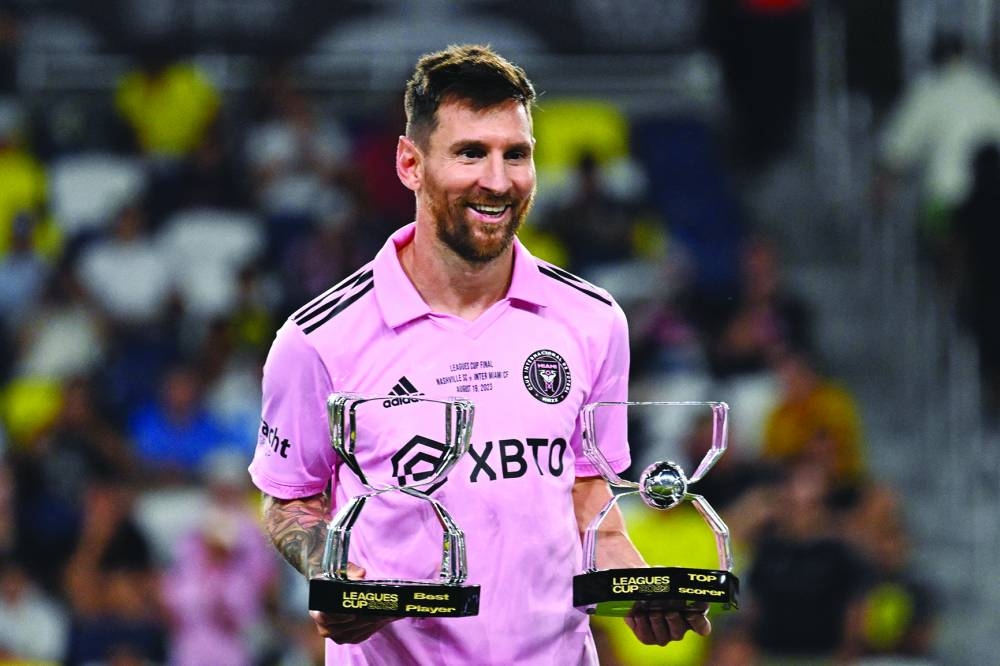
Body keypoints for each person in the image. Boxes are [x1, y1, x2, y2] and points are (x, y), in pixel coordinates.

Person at [248, 44, 710, 664]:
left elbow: (588, 491)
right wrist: (334, 573)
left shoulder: (593, 320)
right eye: (471, 153)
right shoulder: (317, 340)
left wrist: (636, 586)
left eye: (515, 154)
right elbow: (291, 499)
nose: (497, 181)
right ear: (410, 164)